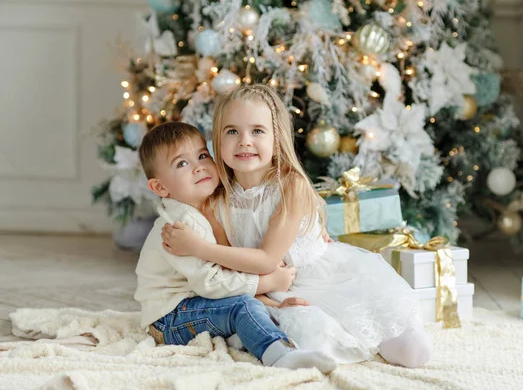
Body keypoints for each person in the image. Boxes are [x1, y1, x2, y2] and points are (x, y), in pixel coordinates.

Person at [161, 85, 433, 367]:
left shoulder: (291, 185)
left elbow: (267, 259)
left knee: (412, 351)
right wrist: (271, 303)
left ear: (277, 137)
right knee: (312, 338)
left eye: (257, 131)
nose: (244, 141)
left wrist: (199, 248)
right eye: (232, 131)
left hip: (325, 276)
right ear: (217, 139)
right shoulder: (216, 197)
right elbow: (231, 268)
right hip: (272, 289)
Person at [133, 121, 337, 373]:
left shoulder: (208, 203)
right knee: (242, 306)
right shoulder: (181, 225)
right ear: (160, 187)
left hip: (194, 303)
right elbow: (210, 283)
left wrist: (311, 231)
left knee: (249, 307)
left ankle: (247, 333)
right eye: (182, 163)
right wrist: (268, 283)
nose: (199, 167)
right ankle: (280, 355)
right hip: (169, 318)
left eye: (202, 155)